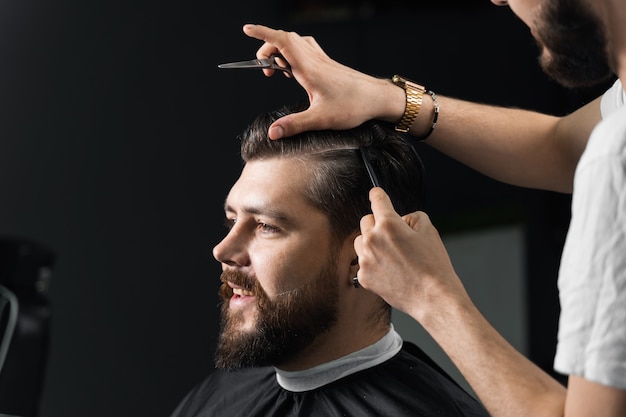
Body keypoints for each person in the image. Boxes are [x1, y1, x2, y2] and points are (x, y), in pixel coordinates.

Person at [234, 1, 626, 417]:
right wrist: (386, 97)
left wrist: (432, 295)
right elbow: (562, 146)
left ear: (355, 257)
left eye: (265, 225)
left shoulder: (613, 160)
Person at [169, 101, 490, 417]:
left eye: (266, 226)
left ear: (360, 256)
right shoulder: (216, 398)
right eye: (231, 221)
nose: (222, 251)